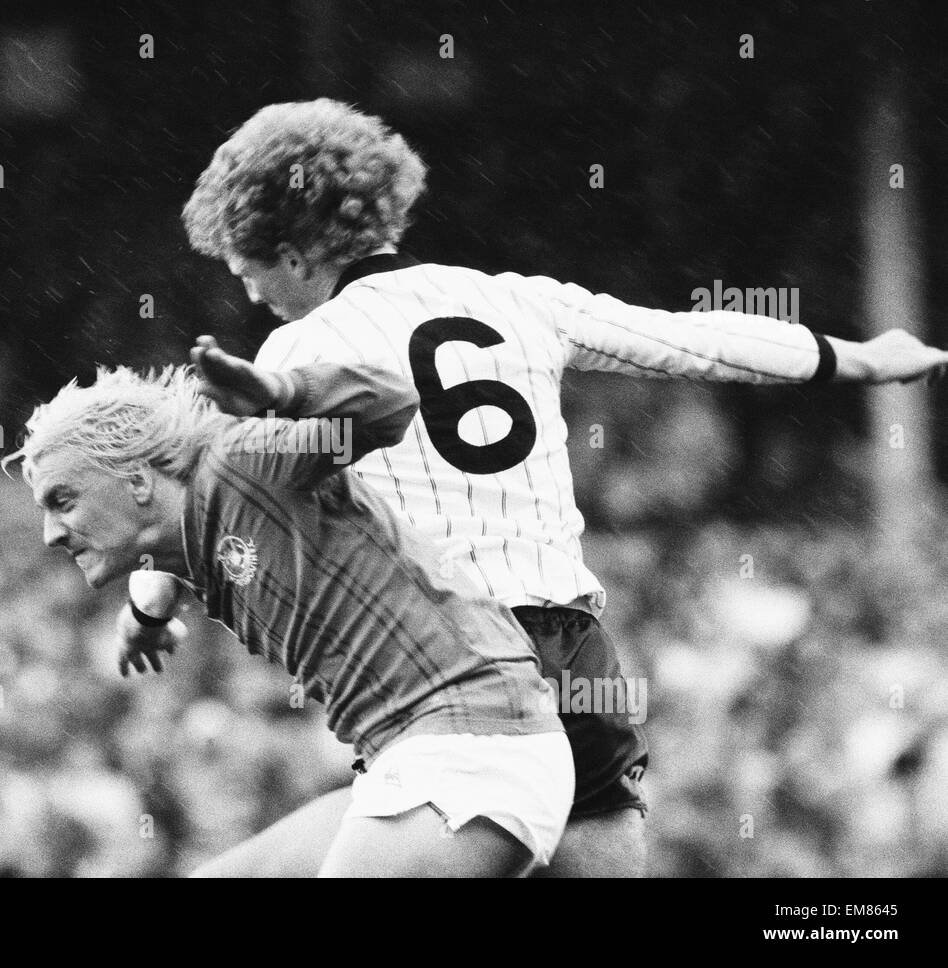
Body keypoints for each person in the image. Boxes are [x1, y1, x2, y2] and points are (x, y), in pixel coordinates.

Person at [120, 98, 948, 878]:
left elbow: (216, 502)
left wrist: (148, 609)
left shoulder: (298, 356)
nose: (251, 295)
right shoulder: (519, 301)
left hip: (446, 664)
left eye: (248, 271)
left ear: (295, 256)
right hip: (572, 650)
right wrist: (860, 358)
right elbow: (696, 341)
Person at [2, 355, 572, 877]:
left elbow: (392, 404)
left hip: (475, 744)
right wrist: (145, 613)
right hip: (407, 757)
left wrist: (285, 388)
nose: (50, 534)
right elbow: (173, 550)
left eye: (63, 499)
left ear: (136, 480)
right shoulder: (190, 533)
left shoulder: (242, 464)